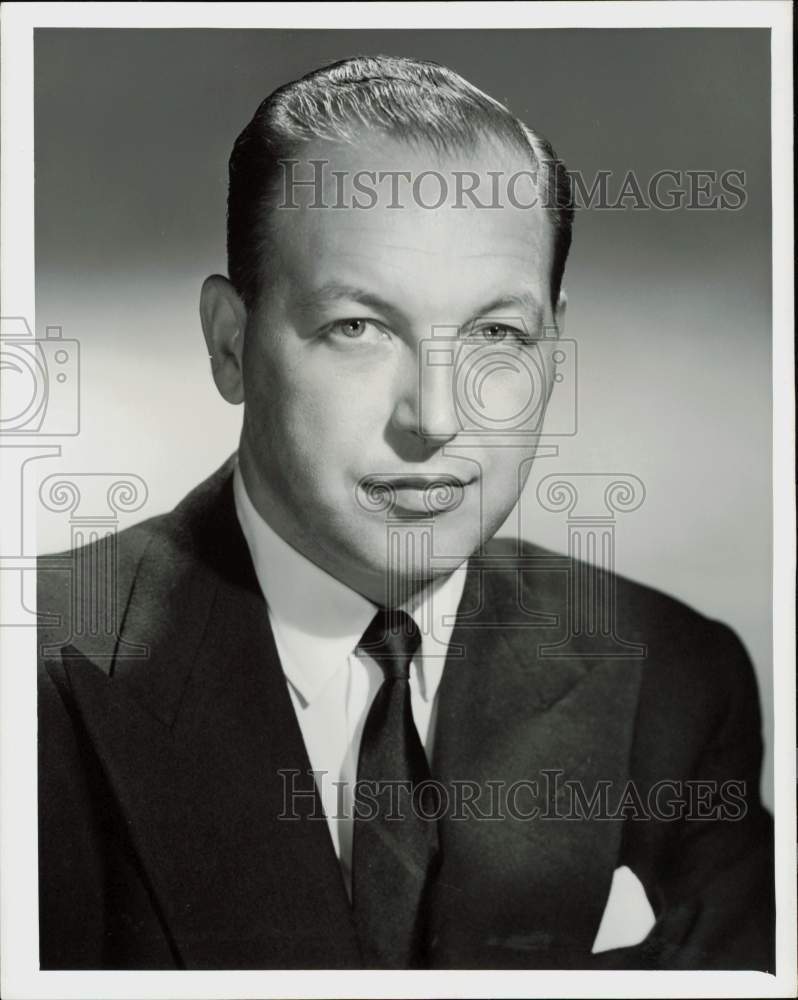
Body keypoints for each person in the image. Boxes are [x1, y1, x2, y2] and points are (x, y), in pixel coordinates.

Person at [37, 54, 774, 971]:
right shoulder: (38, 670)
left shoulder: (672, 675)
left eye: (496, 335)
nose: (436, 416)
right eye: (358, 328)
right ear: (230, 345)